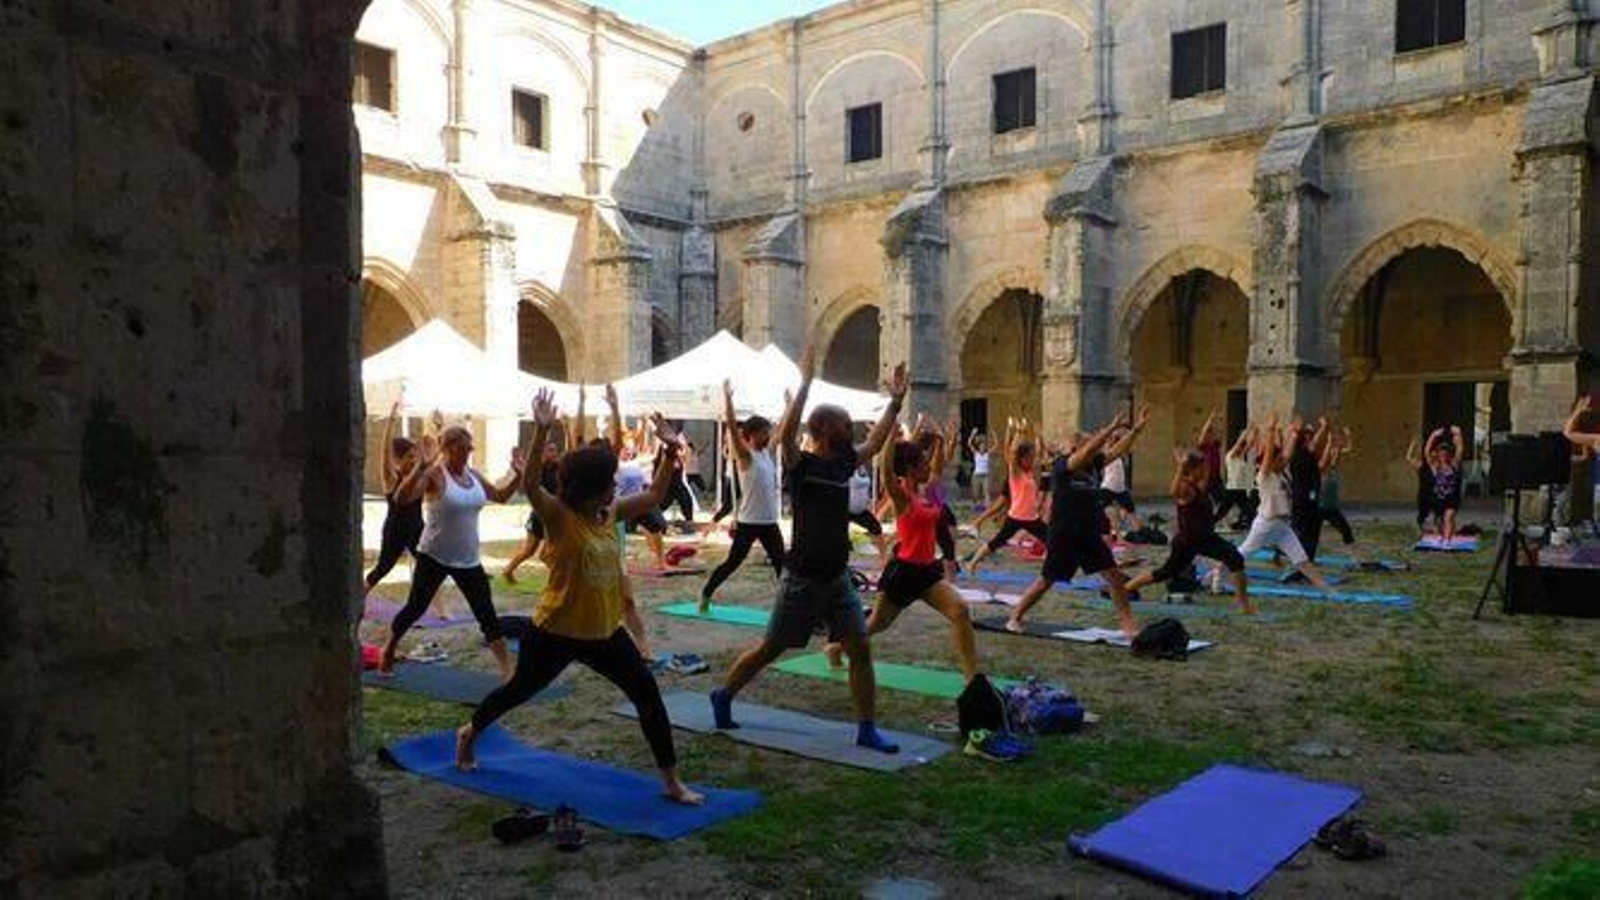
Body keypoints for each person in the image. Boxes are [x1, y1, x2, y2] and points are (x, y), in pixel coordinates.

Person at [454, 389, 702, 806]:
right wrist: (542, 430)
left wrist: (670, 451)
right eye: (608, 484)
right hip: (555, 632)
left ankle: (672, 782)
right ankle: (470, 733)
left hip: (605, 632)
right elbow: (531, 483)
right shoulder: (559, 518)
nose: (615, 487)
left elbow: (656, 496)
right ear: (590, 490)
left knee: (647, 694)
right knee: (518, 691)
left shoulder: (610, 513)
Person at [710, 347, 908, 754]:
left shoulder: (841, 464)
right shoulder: (801, 466)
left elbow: (875, 440)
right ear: (822, 431)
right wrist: (804, 384)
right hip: (801, 579)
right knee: (771, 648)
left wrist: (896, 402)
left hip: (837, 578)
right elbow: (785, 436)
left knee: (861, 649)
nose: (847, 428)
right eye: (840, 424)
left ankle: (866, 729)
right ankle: (724, 694)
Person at [825, 426, 979, 679]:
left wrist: (940, 443)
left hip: (928, 570)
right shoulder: (902, 497)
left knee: (960, 611)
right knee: (877, 624)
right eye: (923, 463)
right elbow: (886, 472)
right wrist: (888, 440)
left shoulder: (930, 493)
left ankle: (973, 679)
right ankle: (836, 646)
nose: (928, 467)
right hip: (903, 573)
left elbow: (938, 471)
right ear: (909, 469)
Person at [379, 425, 523, 679]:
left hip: (468, 558)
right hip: (433, 555)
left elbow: (500, 496)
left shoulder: (474, 475)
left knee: (486, 613)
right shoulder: (434, 474)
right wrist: (419, 468)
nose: (466, 454)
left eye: (469, 448)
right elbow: (401, 499)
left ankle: (507, 669)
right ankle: (389, 647)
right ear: (446, 449)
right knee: (415, 608)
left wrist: (518, 476)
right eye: (461, 449)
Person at [1006, 408, 1151, 636]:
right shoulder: (1063, 465)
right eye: (1088, 445)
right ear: (1077, 448)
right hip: (1064, 533)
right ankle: (1015, 616)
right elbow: (1088, 452)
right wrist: (1110, 428)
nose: (1096, 450)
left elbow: (1117, 451)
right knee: (1047, 580)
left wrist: (1135, 431)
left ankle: (1127, 623)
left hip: (1088, 532)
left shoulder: (1093, 464)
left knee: (1113, 576)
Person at [1125, 447, 1254, 613]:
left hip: (1198, 539)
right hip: (1193, 540)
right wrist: (1180, 466)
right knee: (1235, 559)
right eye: (1202, 467)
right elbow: (1173, 491)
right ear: (1193, 469)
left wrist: (1201, 457)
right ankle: (1244, 605)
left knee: (1167, 571)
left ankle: (1126, 588)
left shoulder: (1197, 485)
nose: (1205, 469)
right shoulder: (1186, 488)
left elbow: (1207, 473)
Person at [699, 382, 784, 611]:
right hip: (749, 522)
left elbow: (782, 431)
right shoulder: (745, 457)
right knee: (732, 563)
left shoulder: (767, 453)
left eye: (768, 431)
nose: (768, 435)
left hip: (769, 522)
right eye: (763, 432)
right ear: (751, 435)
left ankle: (788, 606)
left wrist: (788, 405)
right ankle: (707, 593)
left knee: (782, 565)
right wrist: (728, 399)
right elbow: (733, 428)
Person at [1234, 414, 1331, 589]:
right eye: (1278, 460)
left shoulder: (1280, 474)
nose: (1283, 461)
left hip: (1282, 526)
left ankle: (1328, 589)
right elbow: (1271, 454)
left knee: (1302, 560)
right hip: (1265, 525)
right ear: (1270, 462)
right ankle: (1216, 574)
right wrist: (1271, 431)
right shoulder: (1264, 476)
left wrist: (1293, 434)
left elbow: (1285, 453)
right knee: (1240, 555)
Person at [965, 417, 1048, 572]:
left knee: (1052, 540)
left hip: (1032, 518)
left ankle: (1054, 567)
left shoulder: (1030, 472)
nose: (1032, 460)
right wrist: (1017, 432)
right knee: (996, 542)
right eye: (1028, 458)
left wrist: (1039, 436)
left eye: (1032, 457)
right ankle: (973, 562)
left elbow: (1039, 453)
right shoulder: (1015, 473)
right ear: (1021, 459)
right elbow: (1012, 451)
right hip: (1015, 517)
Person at [365, 400, 425, 590]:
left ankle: (441, 609)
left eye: (415, 456)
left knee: (429, 567)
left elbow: (430, 461)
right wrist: (390, 421)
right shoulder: (391, 478)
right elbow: (384, 451)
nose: (413, 460)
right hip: (395, 531)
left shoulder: (417, 477)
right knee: (382, 569)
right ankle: (360, 599)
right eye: (409, 456)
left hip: (417, 528)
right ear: (397, 460)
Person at [502, 439, 562, 584]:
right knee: (529, 550)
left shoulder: (558, 468)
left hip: (552, 515)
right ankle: (508, 571)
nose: (554, 453)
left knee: (550, 551)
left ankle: (557, 578)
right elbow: (526, 485)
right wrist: (521, 466)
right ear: (542, 453)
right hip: (538, 516)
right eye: (550, 450)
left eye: (555, 450)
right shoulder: (536, 469)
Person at [1317, 427, 1365, 561]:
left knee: (1346, 531)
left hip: (1332, 509)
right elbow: (1326, 459)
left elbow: (1344, 450)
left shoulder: (1332, 469)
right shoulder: (1318, 470)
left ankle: (1357, 557)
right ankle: (1285, 554)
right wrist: (1330, 442)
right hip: (1318, 509)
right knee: (1309, 535)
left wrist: (1346, 437)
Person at [1288, 416, 1331, 562]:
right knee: (1301, 531)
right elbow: (1314, 443)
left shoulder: (1309, 454)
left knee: (1313, 530)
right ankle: (1291, 555)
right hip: (1301, 500)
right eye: (1307, 437)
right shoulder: (1299, 454)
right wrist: (1323, 428)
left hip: (1312, 498)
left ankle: (1307, 560)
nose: (1311, 440)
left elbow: (1315, 446)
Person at [1099, 430, 1145, 539]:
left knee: (1130, 511)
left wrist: (1131, 434)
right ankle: (1118, 536)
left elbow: (1129, 447)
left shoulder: (1120, 453)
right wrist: (1111, 435)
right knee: (1112, 513)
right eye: (1113, 438)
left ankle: (1140, 534)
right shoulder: (1107, 451)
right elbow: (1106, 445)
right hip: (1107, 487)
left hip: (1121, 488)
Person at [1424, 425, 1466, 542]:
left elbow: (1460, 449)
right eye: (1441, 453)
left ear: (1449, 454)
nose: (1443, 456)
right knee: (1441, 523)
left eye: (1446, 453)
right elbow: (1427, 451)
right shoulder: (1435, 467)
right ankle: (1448, 534)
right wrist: (1433, 435)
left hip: (1452, 498)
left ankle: (1447, 542)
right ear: (1438, 454)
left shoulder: (1454, 465)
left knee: (1449, 517)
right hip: (1438, 499)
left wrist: (1458, 434)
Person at [1214, 424, 1258, 530]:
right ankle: (1208, 523)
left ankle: (1254, 526)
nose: (1241, 449)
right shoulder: (1230, 456)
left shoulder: (1240, 457)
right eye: (1239, 447)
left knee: (1248, 510)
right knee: (1222, 511)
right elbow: (1239, 444)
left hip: (1240, 489)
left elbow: (1249, 445)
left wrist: (1255, 434)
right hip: (1232, 489)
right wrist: (1245, 432)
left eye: (1241, 448)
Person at [847, 462, 892, 561]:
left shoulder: (864, 469)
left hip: (860, 510)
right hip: (845, 509)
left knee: (876, 528)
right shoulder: (846, 467)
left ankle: (884, 560)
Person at [1406, 437, 1433, 535]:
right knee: (1423, 513)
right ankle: (1421, 529)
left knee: (1439, 513)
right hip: (1423, 494)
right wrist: (1413, 445)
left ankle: (1438, 528)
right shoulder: (1421, 466)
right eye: (1430, 454)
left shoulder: (1438, 466)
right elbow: (1408, 457)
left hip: (1435, 494)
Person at [969, 431, 993, 505]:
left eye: (984, 446)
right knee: (976, 493)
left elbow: (996, 445)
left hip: (985, 476)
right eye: (981, 446)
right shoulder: (976, 453)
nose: (982, 447)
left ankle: (988, 506)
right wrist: (972, 434)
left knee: (986, 492)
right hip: (976, 475)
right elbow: (969, 444)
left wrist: (993, 434)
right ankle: (977, 506)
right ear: (979, 447)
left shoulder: (987, 454)